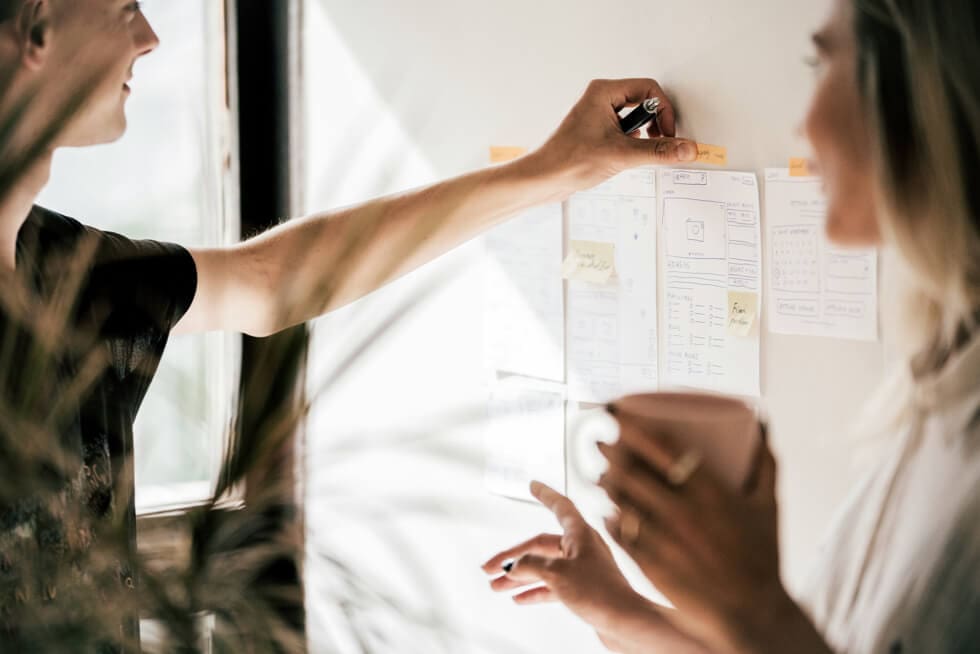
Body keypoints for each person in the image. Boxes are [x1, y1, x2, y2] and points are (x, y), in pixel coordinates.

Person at [0, 0, 698, 648]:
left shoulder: (67, 273)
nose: (149, 37)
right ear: (37, 29)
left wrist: (552, 170)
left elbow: (269, 280)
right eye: (125, 8)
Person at [484, 0, 980, 652]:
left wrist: (751, 600)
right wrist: (620, 610)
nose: (803, 124)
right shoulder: (943, 382)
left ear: (922, 89)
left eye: (822, 64)